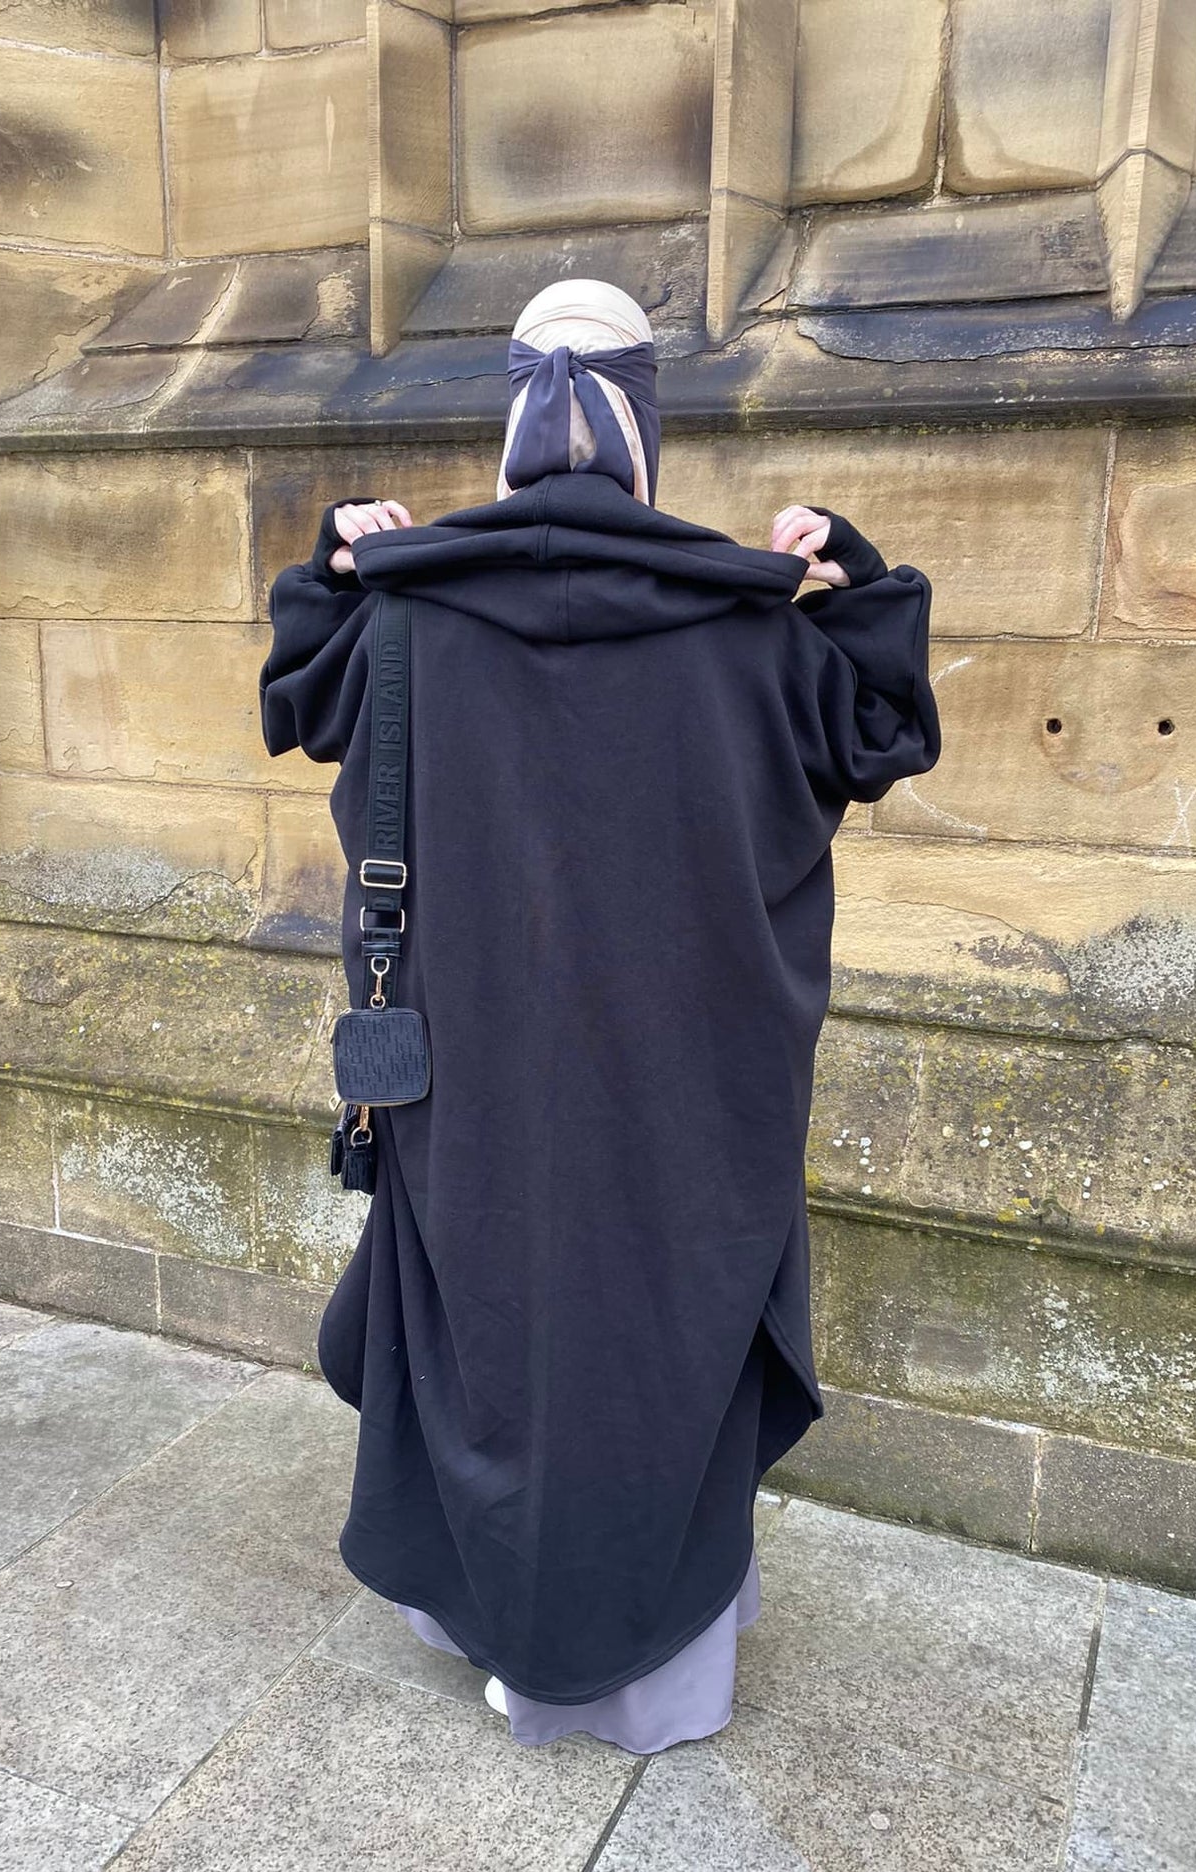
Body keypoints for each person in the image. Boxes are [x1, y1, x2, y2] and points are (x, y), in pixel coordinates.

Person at [258, 278, 941, 1754]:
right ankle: (650, 1663)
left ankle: (497, 1619)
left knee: (489, 1325)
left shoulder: (404, 622)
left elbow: (296, 695)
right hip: (692, 1090)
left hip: (471, 1083)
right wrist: (850, 571)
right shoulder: (749, 627)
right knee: (661, 1335)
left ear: (511, 411)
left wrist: (339, 560)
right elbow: (883, 728)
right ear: (648, 422)